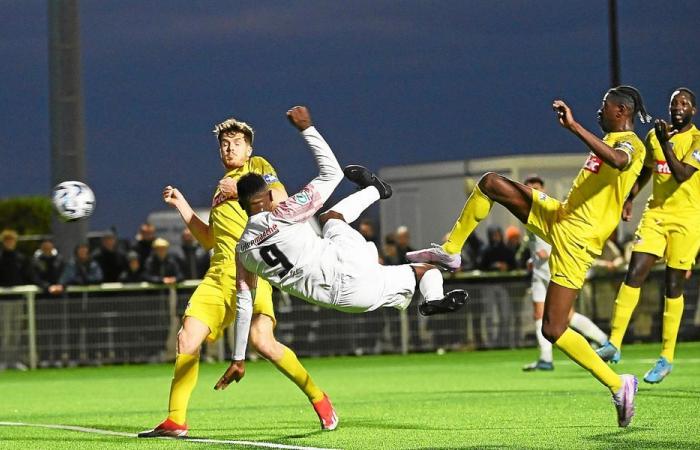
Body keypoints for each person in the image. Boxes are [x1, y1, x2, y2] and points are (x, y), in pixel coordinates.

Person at [407, 86, 650, 427]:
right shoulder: (609, 138)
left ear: (622, 111)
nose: (600, 111)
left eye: (605, 106)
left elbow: (620, 160)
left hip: (577, 243)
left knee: (553, 328)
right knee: (491, 183)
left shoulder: (632, 145)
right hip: (560, 216)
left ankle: (617, 383)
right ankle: (451, 253)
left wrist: (575, 127)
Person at [215, 106, 468, 398]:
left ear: (242, 206)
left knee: (423, 270)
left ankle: (430, 300)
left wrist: (237, 357)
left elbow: (244, 305)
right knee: (331, 217)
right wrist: (306, 127)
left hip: (349, 301)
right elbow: (331, 173)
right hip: (349, 264)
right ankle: (377, 192)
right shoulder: (284, 212)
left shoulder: (243, 251)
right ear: (268, 196)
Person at [139, 114, 332, 438]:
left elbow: (280, 205)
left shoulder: (257, 167)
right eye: (224, 144)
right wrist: (183, 204)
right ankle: (176, 420)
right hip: (217, 276)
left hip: (253, 272)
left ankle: (319, 398)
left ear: (249, 148)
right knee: (187, 338)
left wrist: (240, 192)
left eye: (237, 143)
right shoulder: (220, 189)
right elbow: (209, 239)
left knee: (263, 342)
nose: (230, 148)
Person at [597, 88, 700, 383]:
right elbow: (647, 168)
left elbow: (681, 174)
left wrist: (666, 142)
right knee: (634, 272)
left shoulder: (696, 140)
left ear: (693, 110)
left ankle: (666, 357)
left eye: (684, 104)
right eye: (673, 103)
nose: (678, 107)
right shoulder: (655, 136)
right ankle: (614, 343)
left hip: (688, 220)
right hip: (656, 214)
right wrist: (631, 197)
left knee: (673, 286)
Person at [519, 176, 608, 371]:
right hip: (538, 272)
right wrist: (532, 259)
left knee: (566, 316)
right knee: (538, 314)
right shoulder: (528, 211)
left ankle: (603, 340)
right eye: (529, 187)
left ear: (543, 189)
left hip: (554, 269)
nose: (533, 190)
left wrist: (548, 252)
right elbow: (536, 244)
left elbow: (565, 236)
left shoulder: (552, 208)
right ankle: (545, 358)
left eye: (536, 187)